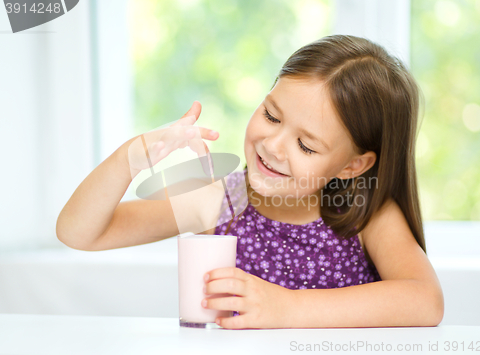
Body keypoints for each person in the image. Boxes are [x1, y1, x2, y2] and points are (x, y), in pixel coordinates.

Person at [57, 34, 444, 330]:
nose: (272, 146)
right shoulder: (221, 201)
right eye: (272, 116)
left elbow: (426, 301)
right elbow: (81, 233)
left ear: (352, 166)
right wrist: (131, 156)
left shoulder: (364, 213)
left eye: (306, 145)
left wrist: (287, 308)